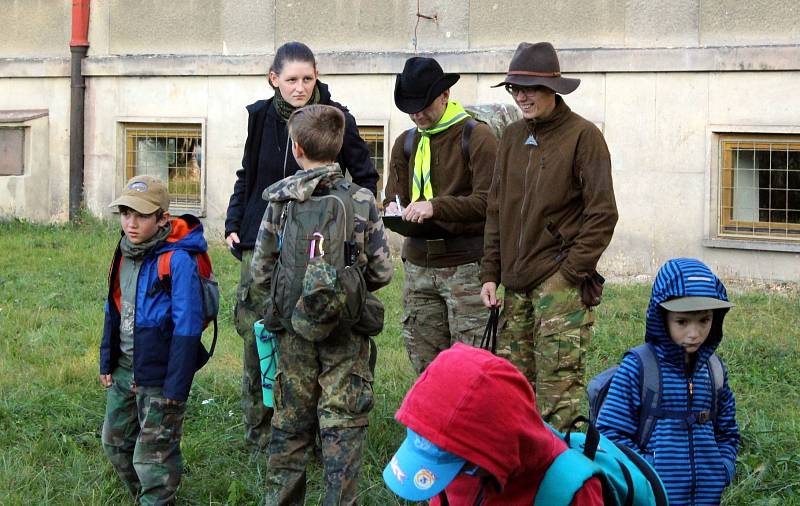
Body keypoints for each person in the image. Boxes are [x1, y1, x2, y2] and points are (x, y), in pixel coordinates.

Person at [224, 41, 379, 450]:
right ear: (273, 79)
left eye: (307, 78)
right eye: (291, 79)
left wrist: (354, 231)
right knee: (260, 331)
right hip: (263, 238)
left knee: (311, 332)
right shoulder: (260, 117)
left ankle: (305, 431)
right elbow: (248, 174)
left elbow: (365, 177)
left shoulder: (334, 118)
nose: (300, 87)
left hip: (317, 249)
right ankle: (259, 430)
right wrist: (234, 222)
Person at [250, 104, 393, 505]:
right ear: (340, 147)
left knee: (290, 426)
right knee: (342, 426)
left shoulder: (281, 200)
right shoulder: (361, 200)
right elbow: (382, 271)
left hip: (292, 332)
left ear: (297, 149)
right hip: (345, 332)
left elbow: (261, 269)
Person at [480, 41, 618, 430]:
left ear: (553, 90)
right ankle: (521, 483)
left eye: (530, 88)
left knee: (558, 400)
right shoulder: (509, 137)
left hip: (559, 287)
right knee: (513, 394)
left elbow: (603, 214)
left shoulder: (583, 136)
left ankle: (565, 487)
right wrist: (490, 273)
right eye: (514, 88)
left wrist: (570, 274)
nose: (521, 96)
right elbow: (495, 210)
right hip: (514, 286)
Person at [100, 175, 211, 505]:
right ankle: (148, 495)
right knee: (115, 443)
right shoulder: (124, 251)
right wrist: (107, 360)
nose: (130, 224)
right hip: (124, 368)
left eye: (141, 215)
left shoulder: (177, 260)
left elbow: (188, 325)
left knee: (153, 457)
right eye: (125, 213)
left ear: (162, 217)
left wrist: (176, 386)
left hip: (160, 376)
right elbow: (113, 307)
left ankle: (158, 496)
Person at [384, 56, 497, 374]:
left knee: (472, 366)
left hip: (465, 267)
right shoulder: (406, 142)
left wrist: (437, 206)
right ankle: (430, 425)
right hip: (418, 267)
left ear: (445, 96)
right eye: (410, 106)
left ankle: (472, 425)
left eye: (424, 104)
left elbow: (491, 202)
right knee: (426, 366)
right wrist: (393, 209)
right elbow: (396, 197)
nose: (417, 113)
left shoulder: (477, 137)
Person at [382, 343, 603, 505]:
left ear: (494, 449)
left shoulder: (572, 492)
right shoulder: (457, 465)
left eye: (456, 465)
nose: (456, 477)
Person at [597, 258, 740, 505]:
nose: (694, 333)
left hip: (707, 498)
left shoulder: (714, 370)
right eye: (682, 321)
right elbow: (610, 433)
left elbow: (727, 433)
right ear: (661, 317)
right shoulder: (639, 367)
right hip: (654, 497)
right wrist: (648, 472)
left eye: (704, 320)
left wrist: (723, 469)